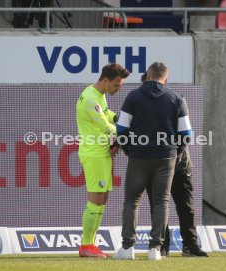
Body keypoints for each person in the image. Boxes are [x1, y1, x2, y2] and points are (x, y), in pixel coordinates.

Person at [114, 62, 192, 260]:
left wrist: (128, 150)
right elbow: (186, 134)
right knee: (161, 202)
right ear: (165, 78)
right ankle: (155, 249)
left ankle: (127, 248)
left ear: (148, 75)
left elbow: (121, 129)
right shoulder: (176, 98)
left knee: (132, 201)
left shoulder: (133, 96)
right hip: (166, 158)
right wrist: (175, 151)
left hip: (138, 156)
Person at [141, 72, 208, 258]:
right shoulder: (139, 105)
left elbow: (185, 135)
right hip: (154, 165)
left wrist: (175, 154)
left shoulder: (175, 101)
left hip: (179, 164)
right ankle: (162, 245)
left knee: (185, 206)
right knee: (159, 206)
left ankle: (190, 245)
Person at [76, 63, 129, 258]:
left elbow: (106, 115)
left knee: (102, 198)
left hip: (102, 152)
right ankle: (86, 246)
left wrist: (119, 118)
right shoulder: (91, 98)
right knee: (96, 198)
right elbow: (106, 127)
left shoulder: (98, 95)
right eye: (117, 85)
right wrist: (129, 131)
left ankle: (90, 244)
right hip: (94, 154)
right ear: (105, 80)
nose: (119, 88)